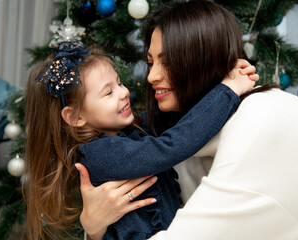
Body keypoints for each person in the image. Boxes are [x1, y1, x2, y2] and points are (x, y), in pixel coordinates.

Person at [78, 1, 298, 239]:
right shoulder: (187, 134)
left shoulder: (262, 120)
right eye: (151, 63)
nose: (151, 76)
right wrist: (95, 226)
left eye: (168, 61)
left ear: (204, 59)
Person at [24, 40, 257, 240]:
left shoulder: (127, 130)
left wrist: (218, 77)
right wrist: (227, 90)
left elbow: (179, 120)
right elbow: (174, 144)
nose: (124, 92)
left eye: (119, 83)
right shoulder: (100, 154)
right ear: (76, 116)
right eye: (108, 92)